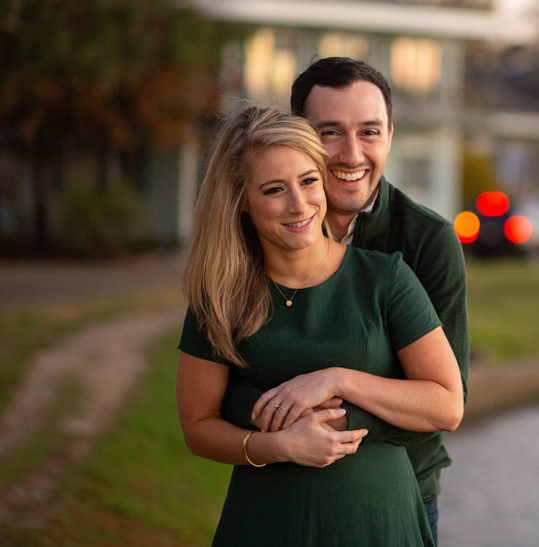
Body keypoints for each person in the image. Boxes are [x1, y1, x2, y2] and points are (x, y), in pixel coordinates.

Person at [176, 105, 462, 546]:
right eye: (274, 190)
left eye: (308, 181)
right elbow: (197, 425)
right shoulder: (220, 294)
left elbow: (447, 404)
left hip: (379, 524)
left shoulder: (386, 278)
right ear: (241, 201)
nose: (299, 204)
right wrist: (278, 446)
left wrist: (335, 380)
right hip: (268, 526)